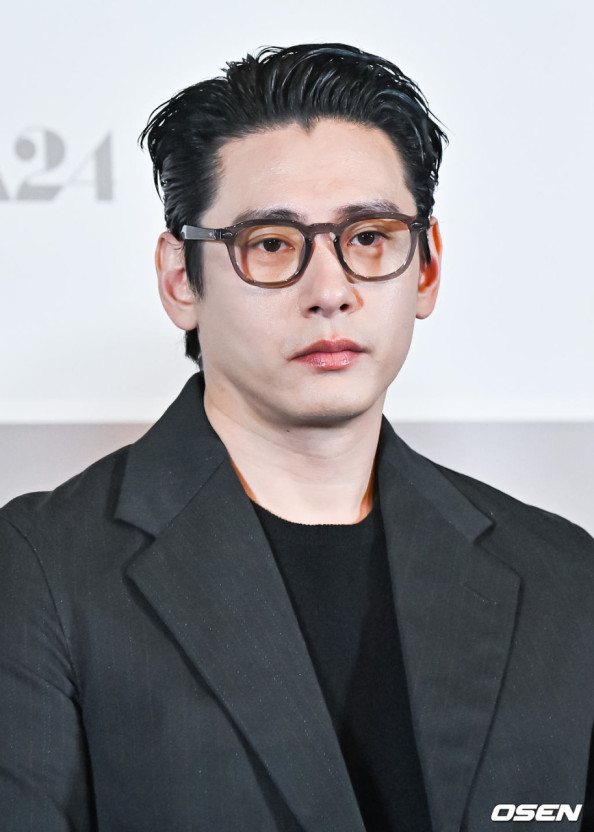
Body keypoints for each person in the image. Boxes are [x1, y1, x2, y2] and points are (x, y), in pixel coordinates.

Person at [1, 43, 593, 832]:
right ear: (181, 279)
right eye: (273, 244)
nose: (330, 291)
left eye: (370, 236)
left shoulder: (563, 576)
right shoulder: (40, 571)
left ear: (425, 268)